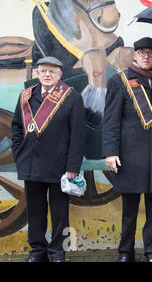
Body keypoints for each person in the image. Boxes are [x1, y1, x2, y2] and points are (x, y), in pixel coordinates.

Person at [102, 37, 152, 262]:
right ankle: (125, 252)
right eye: (142, 52)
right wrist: (110, 152)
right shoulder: (120, 81)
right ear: (134, 55)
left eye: (151, 53)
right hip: (130, 155)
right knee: (129, 210)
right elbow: (110, 121)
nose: (146, 56)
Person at [11, 56, 85, 262]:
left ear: (60, 75)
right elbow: (17, 128)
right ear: (37, 72)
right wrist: (19, 154)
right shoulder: (26, 96)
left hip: (59, 167)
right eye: (43, 71)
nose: (47, 75)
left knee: (60, 214)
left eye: (52, 71)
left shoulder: (72, 97)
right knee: (35, 211)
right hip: (31, 164)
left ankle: (57, 252)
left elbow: (78, 137)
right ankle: (37, 251)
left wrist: (72, 167)